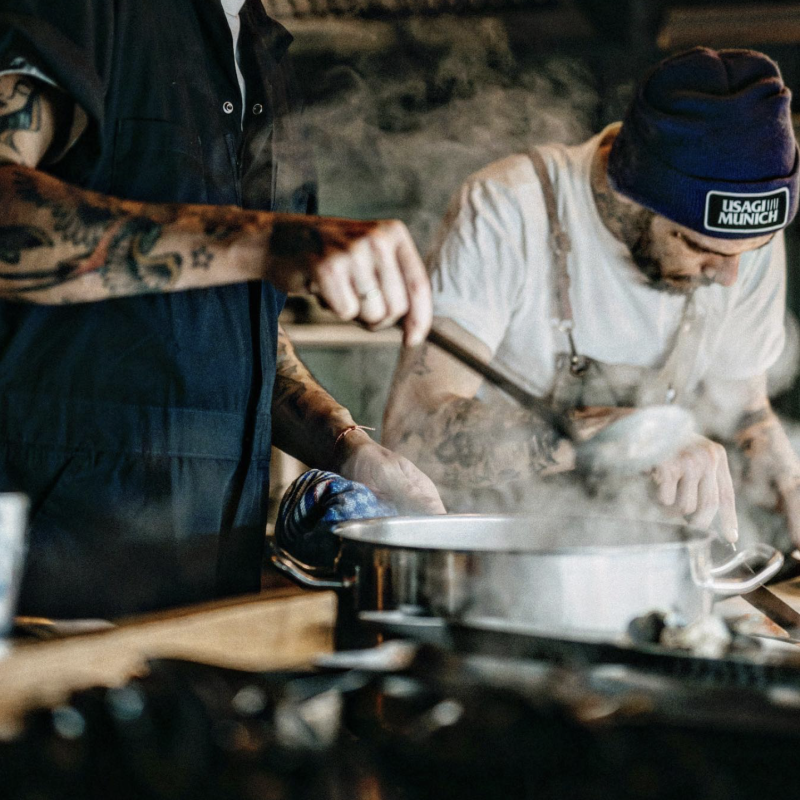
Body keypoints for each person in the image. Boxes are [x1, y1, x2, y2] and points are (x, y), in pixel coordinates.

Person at [0, 0, 444, 619]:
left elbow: (238, 327)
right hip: (49, 571)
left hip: (213, 576)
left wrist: (344, 446)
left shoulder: (261, 53)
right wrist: (271, 239)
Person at [385, 47, 800, 545]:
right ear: (633, 192)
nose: (729, 277)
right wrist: (616, 434)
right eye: (698, 246)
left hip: (651, 561)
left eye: (750, 250)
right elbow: (411, 435)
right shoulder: (510, 208)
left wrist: (788, 485)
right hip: (495, 558)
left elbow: (745, 412)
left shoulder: (742, 243)